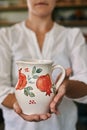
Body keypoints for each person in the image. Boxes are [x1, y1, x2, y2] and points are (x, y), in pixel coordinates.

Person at [0, 0, 87, 130]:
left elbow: (85, 79)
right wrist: (17, 103)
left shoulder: (73, 36)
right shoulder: (5, 36)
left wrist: (67, 86)